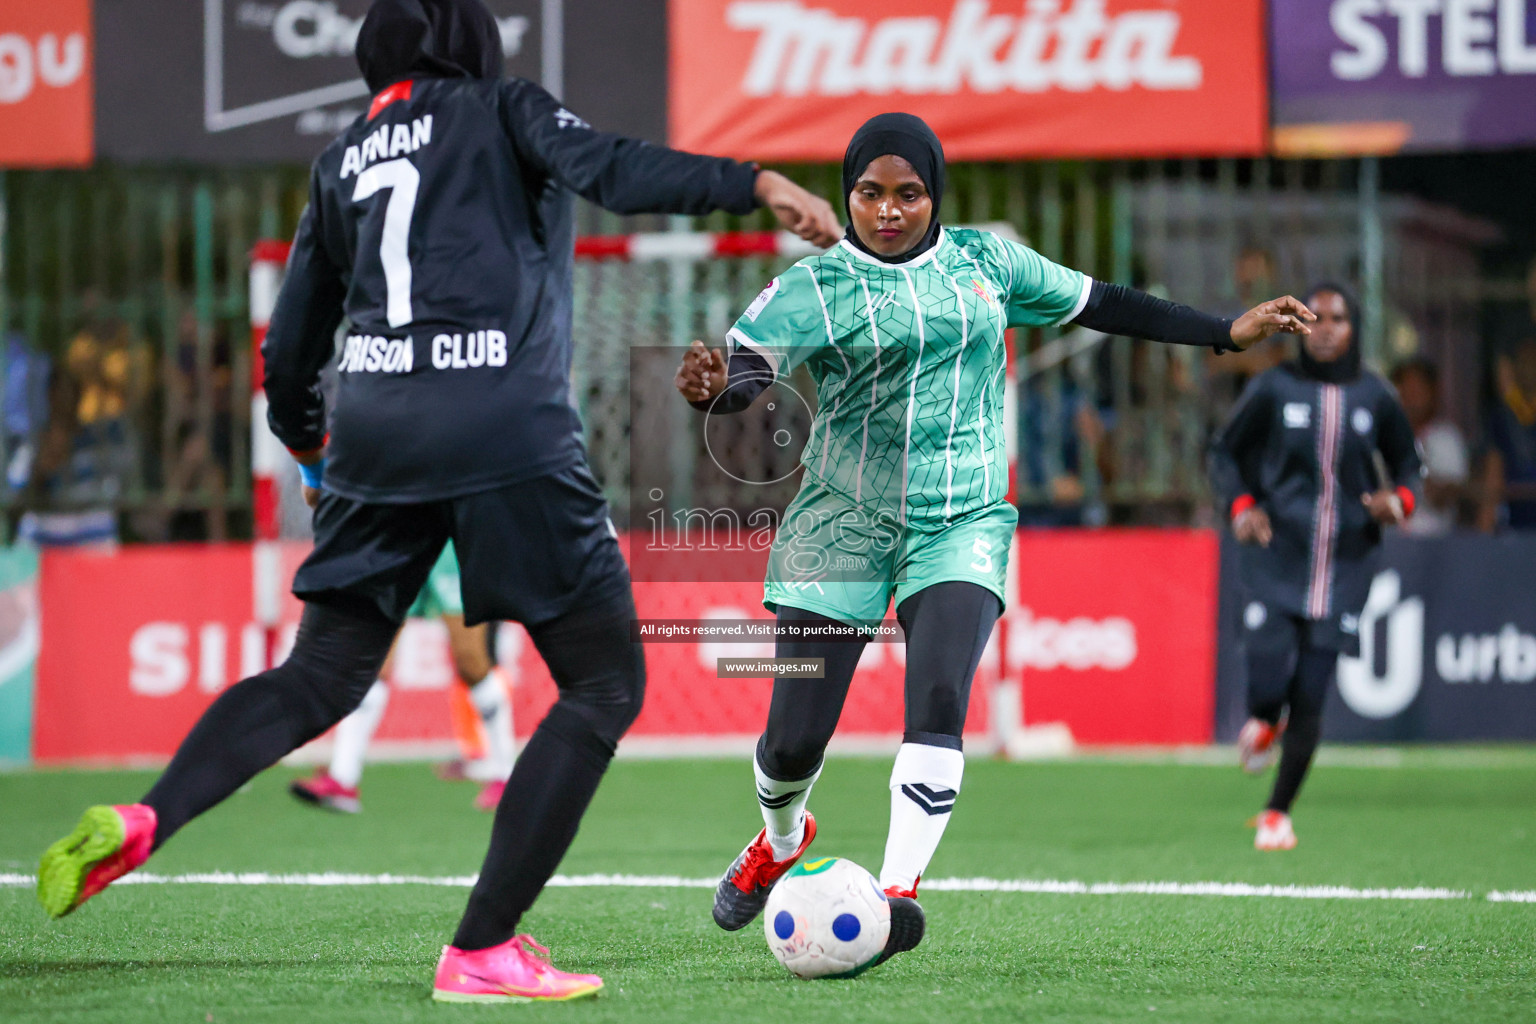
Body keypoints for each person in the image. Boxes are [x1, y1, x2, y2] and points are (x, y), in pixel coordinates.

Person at [37, 0, 839, 1005]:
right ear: (474, 46)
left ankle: (151, 816)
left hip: (375, 425)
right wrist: (752, 182)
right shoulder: (505, 109)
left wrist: (312, 448)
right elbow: (615, 170)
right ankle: (481, 949)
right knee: (601, 685)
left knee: (321, 672)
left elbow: (289, 345)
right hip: (501, 418)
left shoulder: (346, 156)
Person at [674, 112, 1313, 967]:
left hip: (962, 517)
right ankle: (780, 838)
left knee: (939, 699)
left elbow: (1104, 303)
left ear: (935, 193)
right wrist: (712, 389)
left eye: (909, 192)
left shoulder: (987, 262)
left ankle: (895, 898)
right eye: (870, 193)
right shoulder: (814, 288)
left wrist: (1223, 331)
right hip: (839, 525)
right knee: (792, 742)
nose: (889, 209)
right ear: (848, 196)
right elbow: (744, 376)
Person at [1210, 283, 1421, 851]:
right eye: (1315, 317)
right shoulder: (1274, 388)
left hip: (1346, 566)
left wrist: (1399, 499)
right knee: (1269, 682)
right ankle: (1261, 720)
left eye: (1339, 318)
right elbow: (1225, 451)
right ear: (1299, 326)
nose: (1326, 328)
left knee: (1310, 695)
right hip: (1278, 558)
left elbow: (1408, 462)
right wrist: (1241, 506)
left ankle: (1277, 812)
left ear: (1355, 329)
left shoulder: (1375, 395)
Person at [288, 542, 516, 813]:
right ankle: (343, 780)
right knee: (376, 661)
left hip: (451, 545)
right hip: (401, 542)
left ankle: (506, 776)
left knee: (471, 662)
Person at [1390, 357, 1467, 536]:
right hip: (1390, 544)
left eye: (1418, 389)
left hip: (1433, 544)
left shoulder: (1446, 437)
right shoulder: (1384, 435)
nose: (1411, 397)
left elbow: (1447, 495)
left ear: (1433, 393)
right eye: (1406, 390)